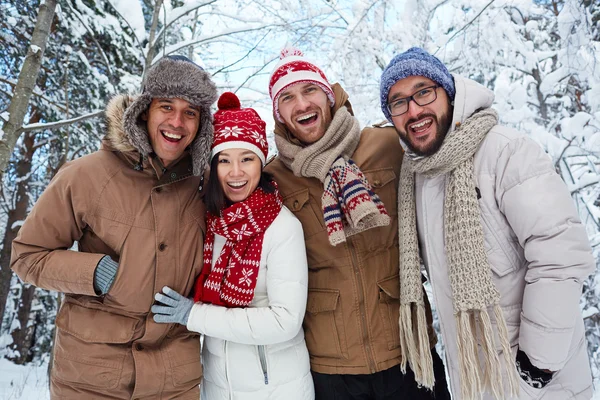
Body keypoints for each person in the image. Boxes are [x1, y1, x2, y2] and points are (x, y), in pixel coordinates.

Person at [379, 47, 596, 400]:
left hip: (537, 382)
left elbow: (561, 254)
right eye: (398, 102)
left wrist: (536, 366)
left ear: (447, 92)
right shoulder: (417, 178)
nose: (414, 110)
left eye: (423, 92)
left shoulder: (505, 151)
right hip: (476, 379)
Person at [10, 55, 217, 399]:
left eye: (190, 112)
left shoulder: (209, 186)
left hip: (173, 381)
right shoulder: (88, 174)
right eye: (167, 106)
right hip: (92, 377)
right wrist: (97, 272)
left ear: (201, 124)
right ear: (145, 109)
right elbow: (27, 255)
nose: (177, 122)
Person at [264, 47, 450, 400]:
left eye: (309, 90)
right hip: (331, 366)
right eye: (287, 97)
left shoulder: (385, 145)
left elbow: (444, 149)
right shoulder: (273, 178)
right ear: (280, 115)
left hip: (408, 349)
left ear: (329, 96)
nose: (301, 103)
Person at [152, 92, 314, 400]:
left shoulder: (282, 227)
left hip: (275, 387)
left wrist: (194, 315)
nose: (236, 172)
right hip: (218, 386)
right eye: (224, 160)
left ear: (261, 163)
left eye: (247, 159)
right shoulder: (213, 223)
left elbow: (285, 321)